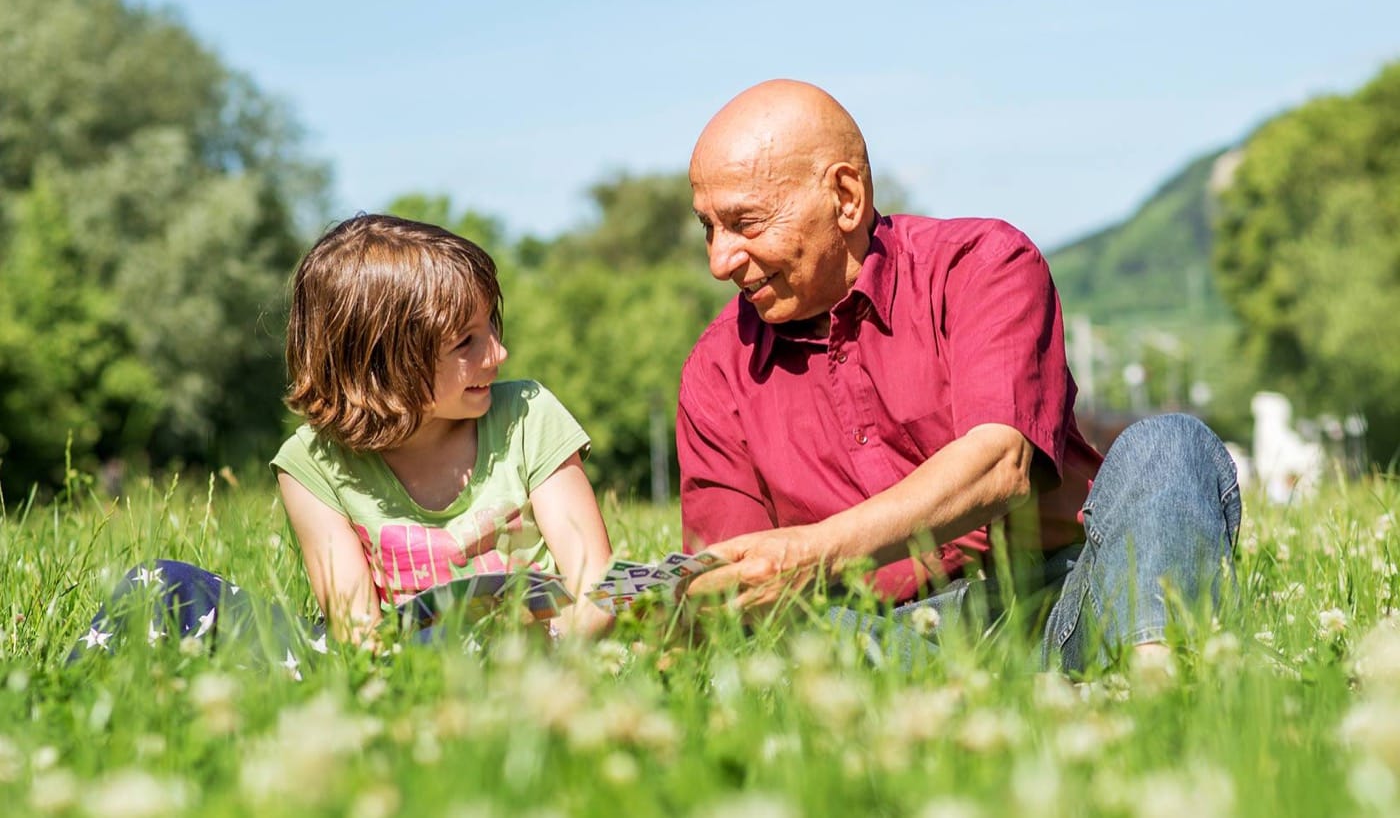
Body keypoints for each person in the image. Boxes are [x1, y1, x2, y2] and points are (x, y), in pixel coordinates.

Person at [678, 80, 1240, 672]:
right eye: (708, 228)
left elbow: (1000, 465)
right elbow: (735, 596)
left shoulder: (982, 264)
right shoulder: (715, 371)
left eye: (747, 223)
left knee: (1170, 443)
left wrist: (809, 552)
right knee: (786, 639)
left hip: (1060, 605)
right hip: (877, 639)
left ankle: (1155, 692)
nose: (720, 260)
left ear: (845, 197)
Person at [74, 214, 613, 661]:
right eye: (466, 343)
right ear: (384, 364)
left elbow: (597, 589)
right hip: (394, 661)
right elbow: (358, 632)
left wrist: (543, 656)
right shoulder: (311, 464)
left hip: (534, 648)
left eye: (492, 328)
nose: (497, 354)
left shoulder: (526, 415)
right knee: (162, 583)